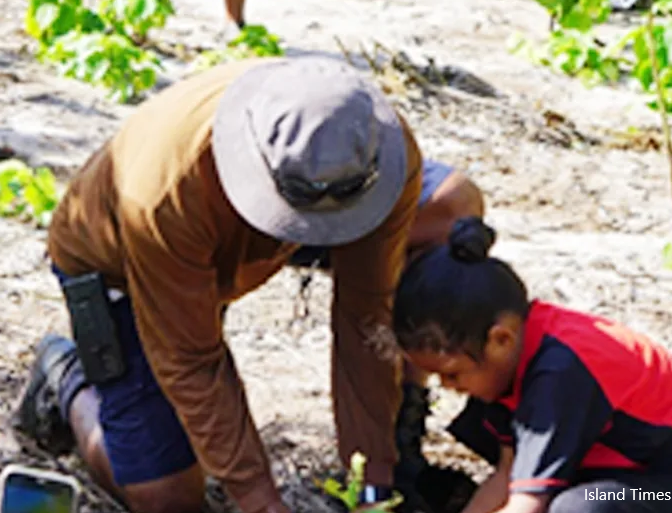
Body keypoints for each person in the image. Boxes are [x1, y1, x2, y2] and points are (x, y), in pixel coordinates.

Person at [13, 56, 423, 513]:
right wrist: (260, 499)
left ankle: (407, 447)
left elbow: (366, 319)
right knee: (168, 499)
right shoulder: (164, 193)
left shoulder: (378, 150)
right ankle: (66, 379)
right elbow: (192, 359)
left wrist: (373, 486)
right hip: (123, 267)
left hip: (242, 241)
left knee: (447, 217)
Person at [392, 217, 672, 513]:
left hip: (668, 492)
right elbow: (508, 475)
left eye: (452, 373)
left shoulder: (560, 372)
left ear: (500, 339)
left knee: (581, 507)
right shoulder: (507, 364)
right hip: (625, 476)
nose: (447, 386)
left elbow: (527, 505)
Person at [288, 159, 485, 512]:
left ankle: (398, 448)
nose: (452, 384)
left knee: (455, 205)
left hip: (609, 493)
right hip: (256, 202)